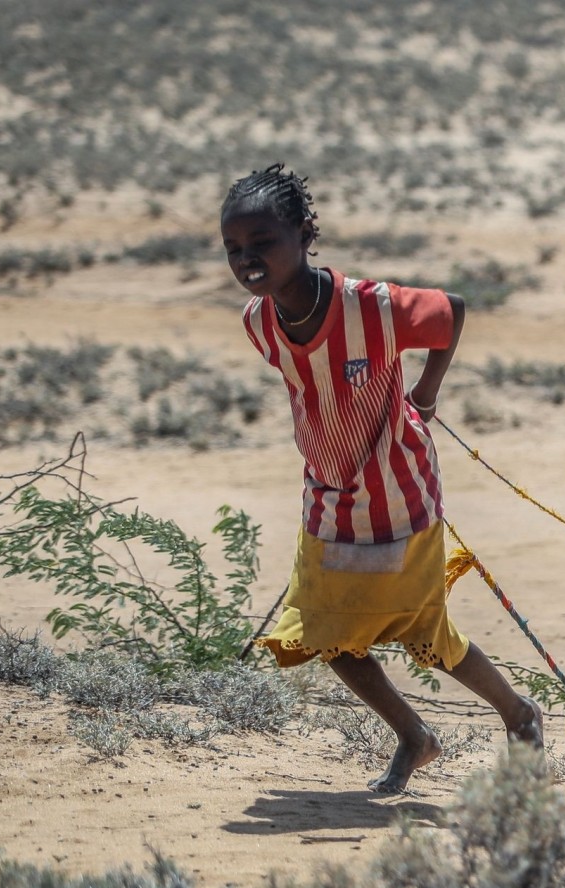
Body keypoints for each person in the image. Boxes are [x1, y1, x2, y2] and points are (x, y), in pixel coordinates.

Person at [220, 163, 542, 793]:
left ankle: (519, 713)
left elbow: (450, 312)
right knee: (327, 631)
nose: (248, 259)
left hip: (400, 487)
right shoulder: (258, 323)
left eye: (263, 243)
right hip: (328, 495)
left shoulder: (370, 307)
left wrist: (424, 390)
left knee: (424, 632)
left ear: (305, 233)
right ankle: (414, 737)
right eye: (235, 249)